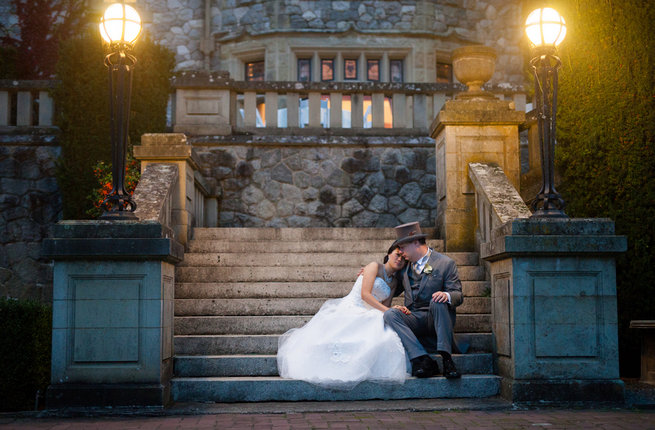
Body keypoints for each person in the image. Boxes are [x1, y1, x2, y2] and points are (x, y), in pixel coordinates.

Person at [277, 244, 409, 389]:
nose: (400, 259)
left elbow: (386, 306)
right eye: (397, 254)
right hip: (353, 306)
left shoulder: (394, 282)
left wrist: (392, 309)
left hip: (371, 312)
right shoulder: (374, 266)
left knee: (386, 333)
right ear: (389, 254)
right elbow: (365, 295)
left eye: (403, 258)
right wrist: (385, 310)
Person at [383, 221, 464, 379]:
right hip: (415, 318)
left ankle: (447, 360)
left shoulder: (445, 263)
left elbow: (458, 295)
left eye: (403, 247)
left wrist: (446, 295)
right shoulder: (404, 268)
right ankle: (421, 359)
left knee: (438, 300)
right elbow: (388, 282)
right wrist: (372, 272)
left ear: (415, 242)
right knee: (390, 314)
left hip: (437, 317)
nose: (400, 252)